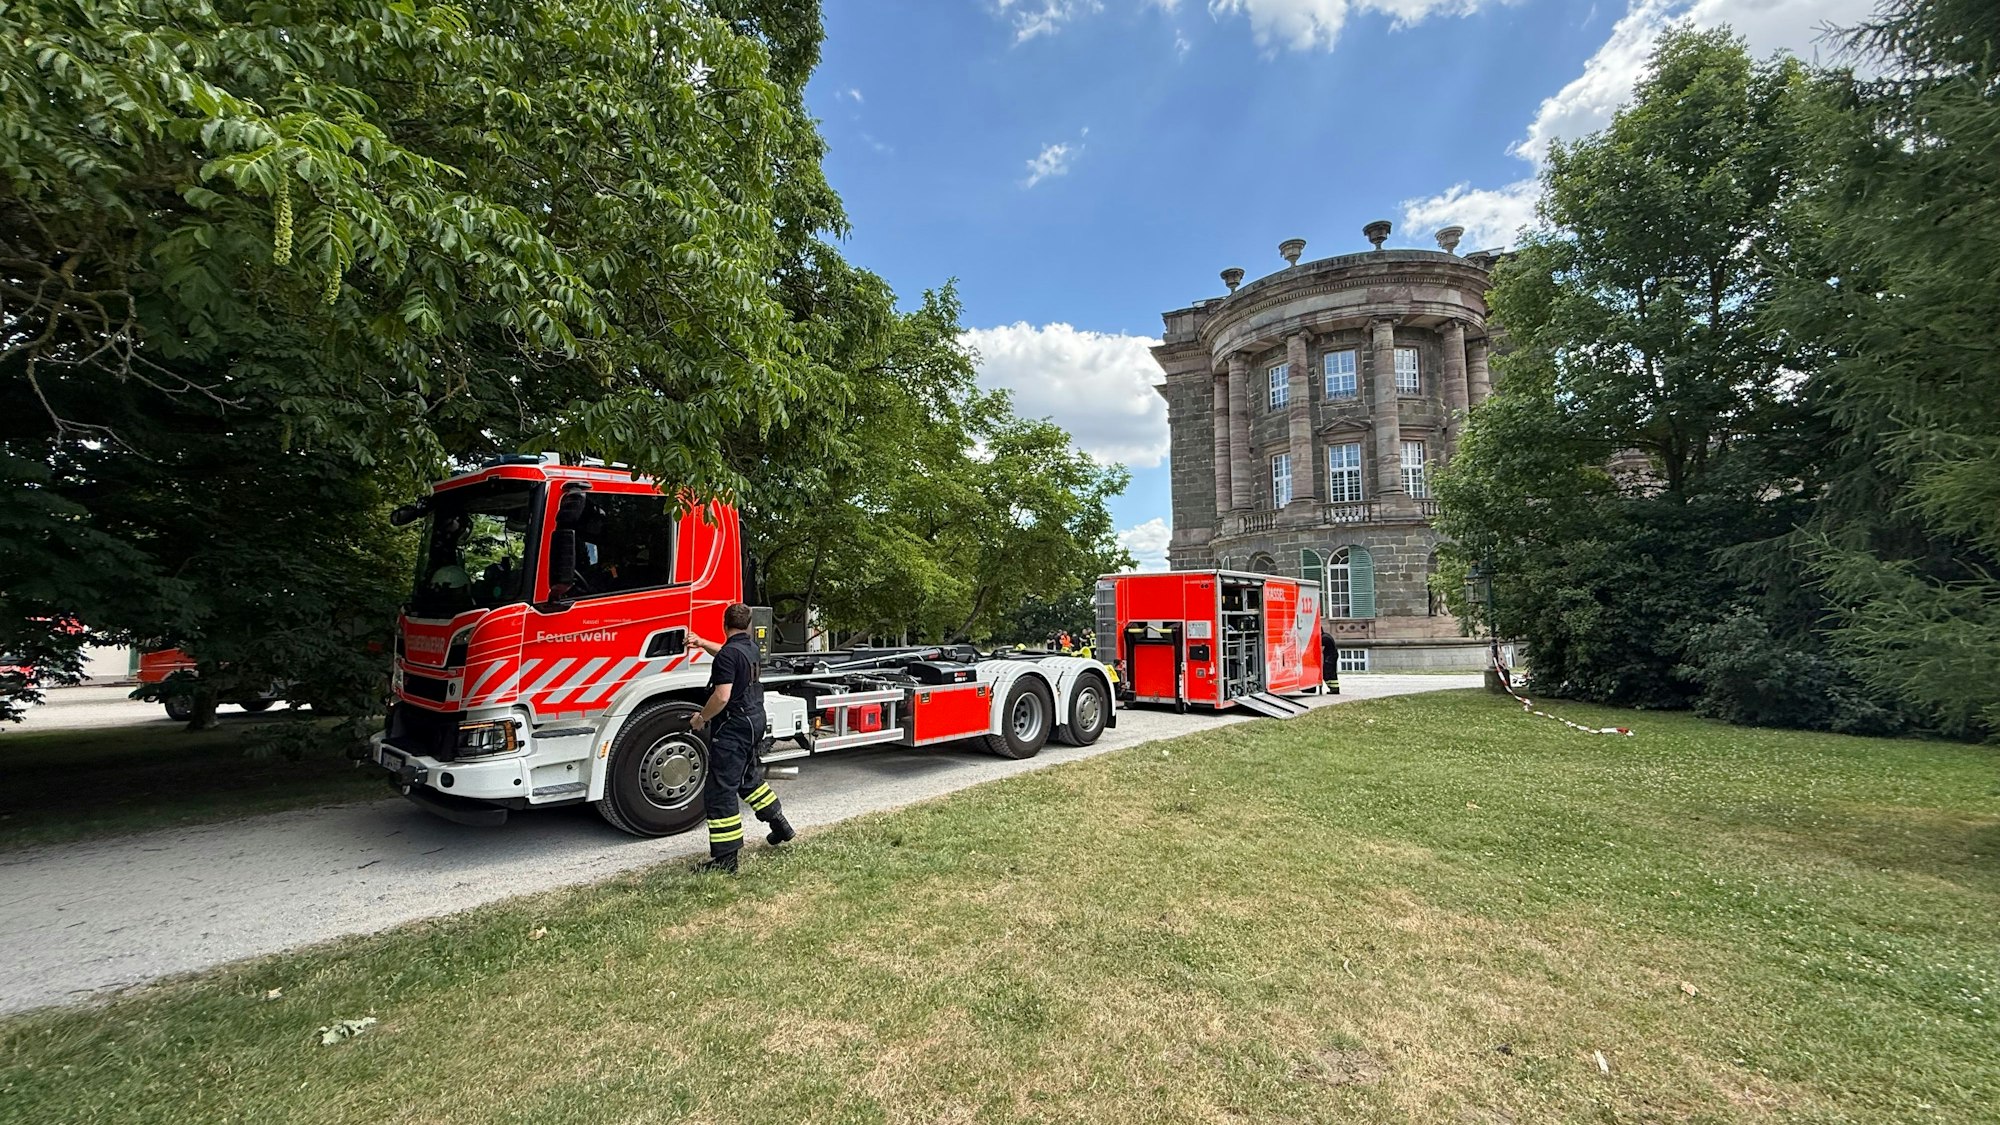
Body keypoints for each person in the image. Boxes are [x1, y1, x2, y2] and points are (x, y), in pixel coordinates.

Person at [686, 603, 795, 873]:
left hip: (733, 726)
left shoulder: (729, 654)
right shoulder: (751, 648)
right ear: (747, 626)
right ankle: (779, 824)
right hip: (754, 720)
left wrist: (702, 718)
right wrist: (700, 643)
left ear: (725, 624)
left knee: (721, 790)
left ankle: (726, 860)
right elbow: (726, 653)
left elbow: (721, 696)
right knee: (747, 778)